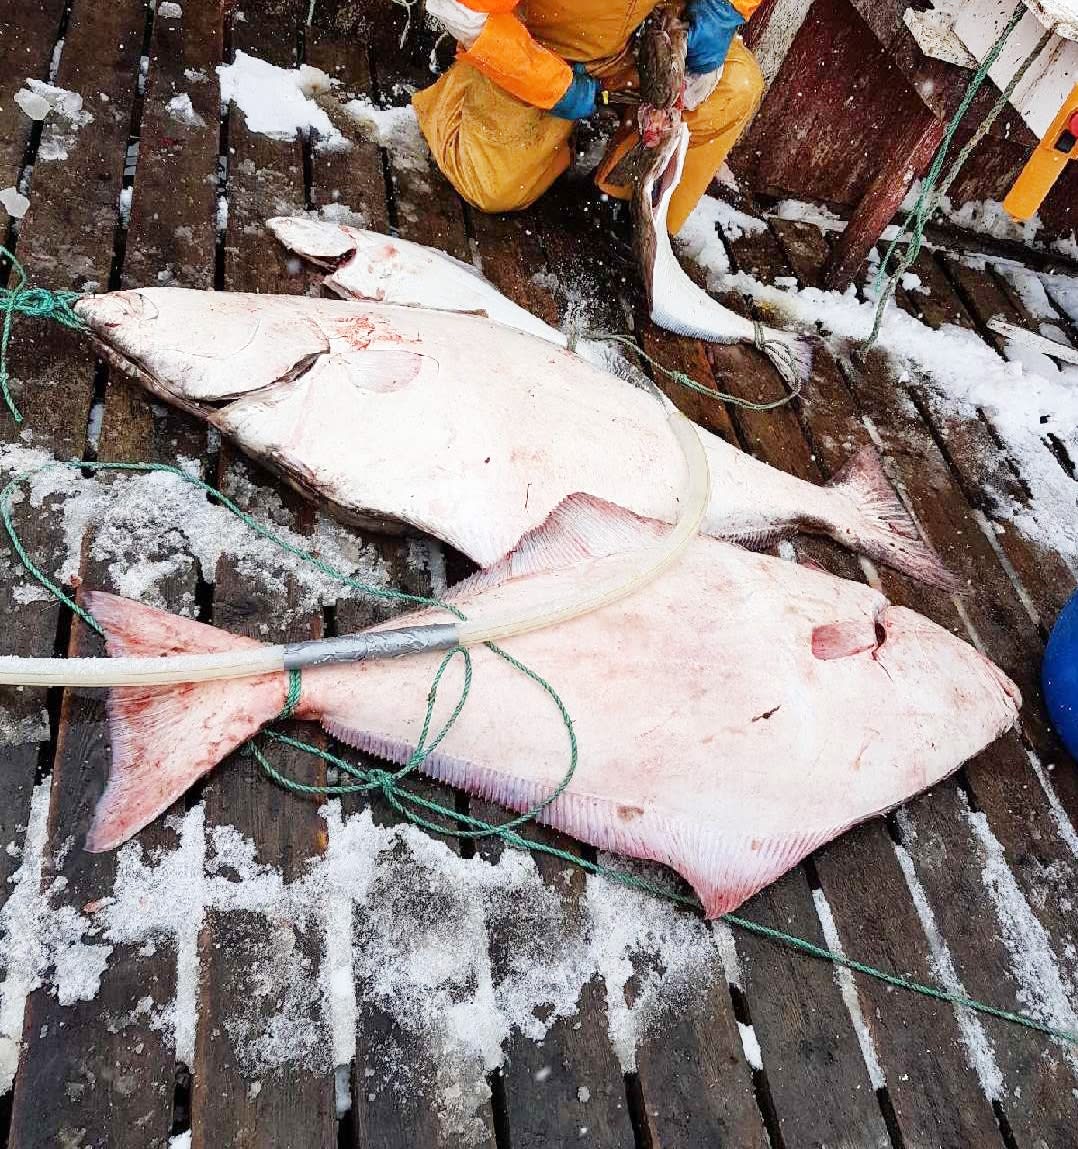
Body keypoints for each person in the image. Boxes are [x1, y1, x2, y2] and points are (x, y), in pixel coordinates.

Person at [414, 0, 764, 236]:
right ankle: (464, 96)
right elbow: (460, 10)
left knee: (736, 86)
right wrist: (550, 84)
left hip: (651, 38)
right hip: (543, 48)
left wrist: (725, 7)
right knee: (492, 187)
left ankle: (622, 193)